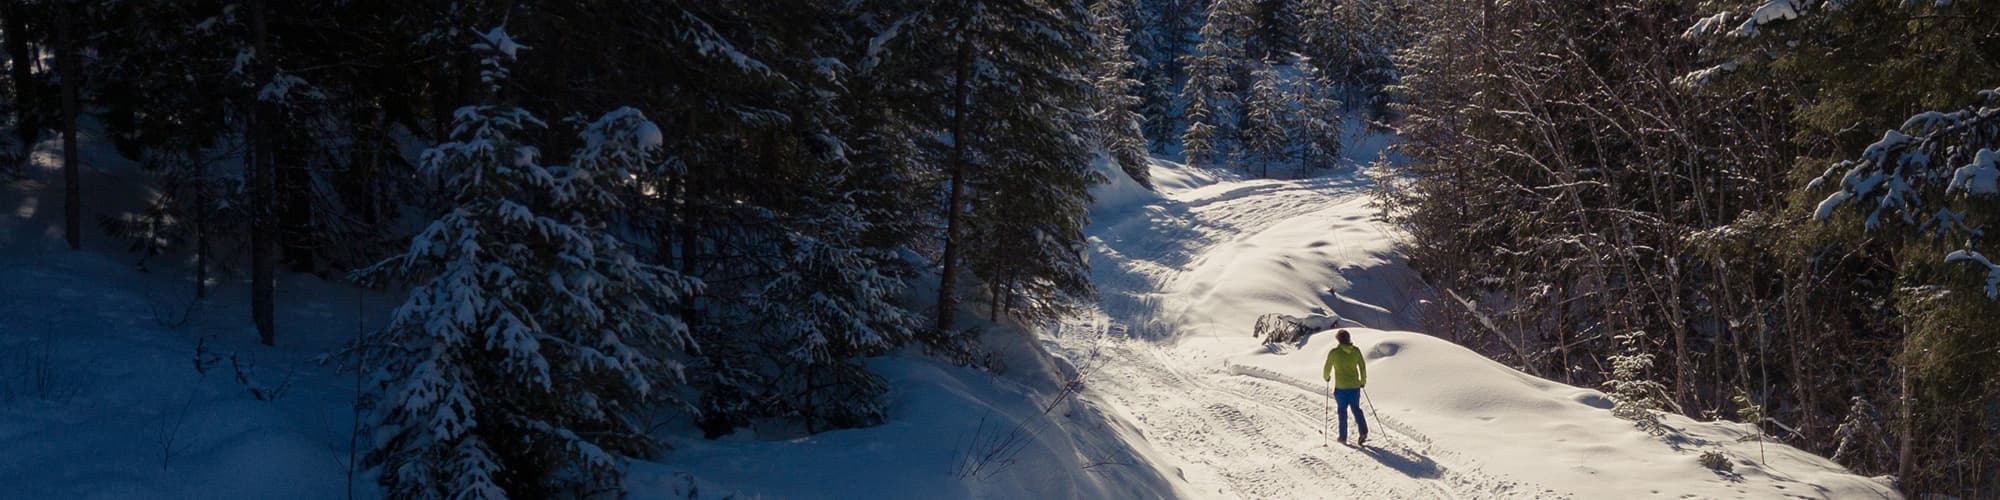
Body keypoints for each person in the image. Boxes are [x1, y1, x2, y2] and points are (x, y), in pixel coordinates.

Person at [1322, 329, 1368, 446]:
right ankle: (1363, 431)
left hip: (1341, 387)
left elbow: (1327, 367)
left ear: (1338, 339)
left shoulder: (1334, 352)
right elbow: (1362, 367)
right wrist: (1362, 381)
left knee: (1342, 411)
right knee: (1356, 409)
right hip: (1354, 386)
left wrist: (1326, 377)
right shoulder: (1356, 351)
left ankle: (1343, 437)